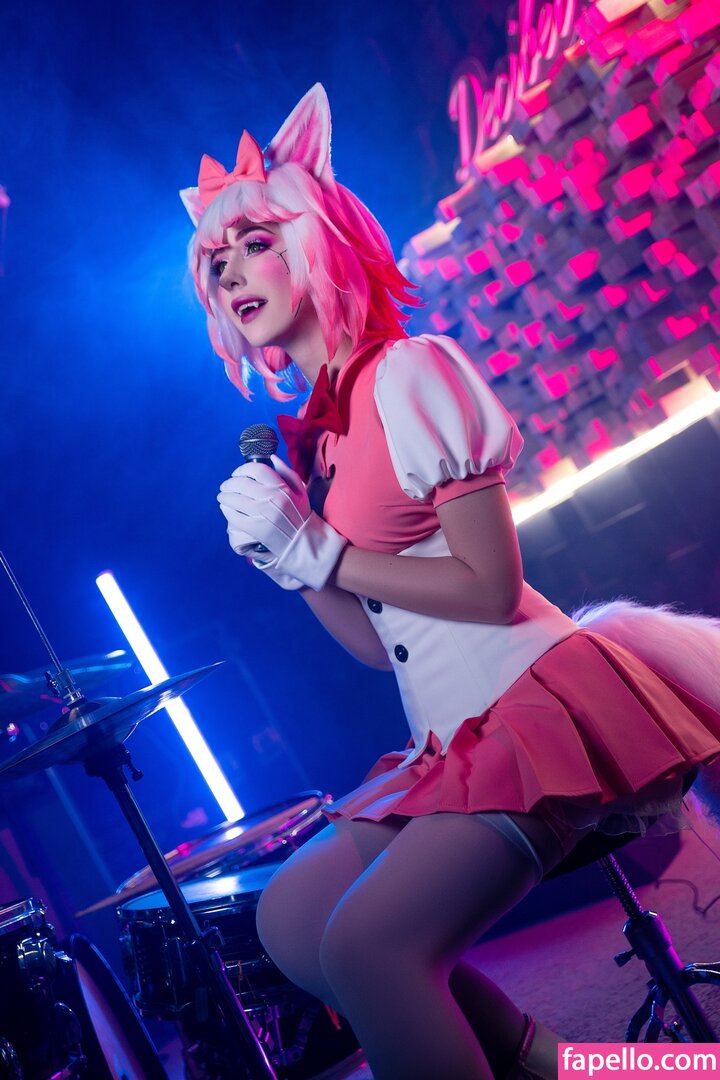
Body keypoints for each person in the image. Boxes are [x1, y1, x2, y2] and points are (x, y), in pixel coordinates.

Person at [181, 85, 720, 1080]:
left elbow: (488, 589)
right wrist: (288, 561)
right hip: (449, 734)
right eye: (216, 261)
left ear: (319, 241)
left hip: (531, 704)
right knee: (291, 918)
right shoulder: (326, 435)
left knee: (367, 949)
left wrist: (321, 553)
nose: (232, 271)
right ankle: (563, 1064)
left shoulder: (410, 371)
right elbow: (372, 645)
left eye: (255, 242)